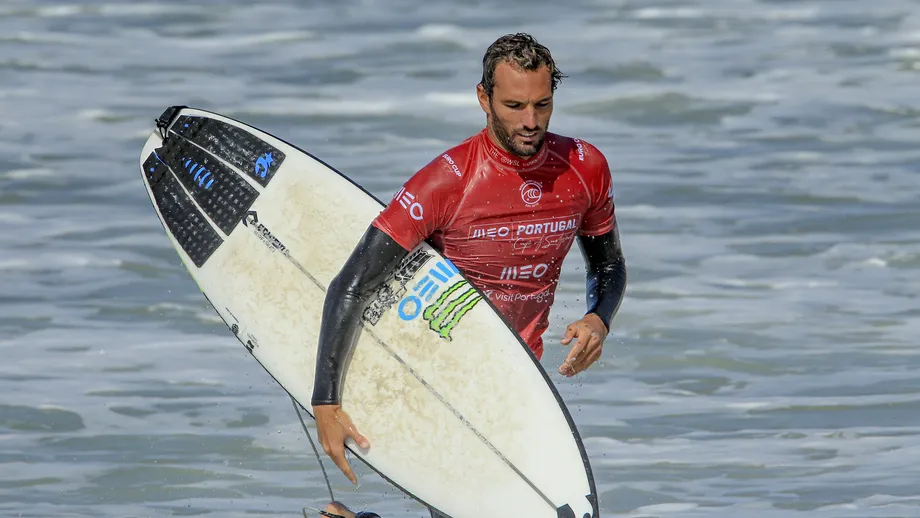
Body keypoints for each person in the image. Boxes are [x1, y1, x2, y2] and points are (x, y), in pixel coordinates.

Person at [309, 32, 627, 518]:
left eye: (543, 105)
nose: (530, 122)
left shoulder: (584, 167)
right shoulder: (447, 180)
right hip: (439, 377)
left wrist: (598, 319)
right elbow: (352, 284)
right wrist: (325, 403)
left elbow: (608, 265)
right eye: (514, 105)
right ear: (484, 98)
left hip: (518, 378)